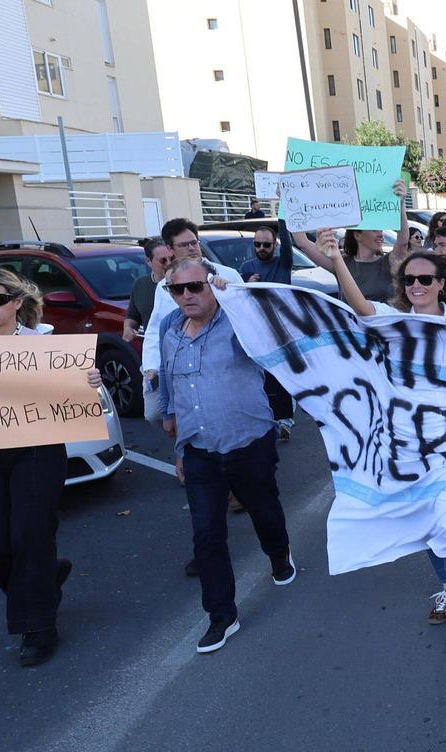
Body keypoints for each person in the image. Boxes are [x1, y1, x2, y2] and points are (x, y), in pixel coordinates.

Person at [315, 230, 446, 637]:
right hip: (407, 443)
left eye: (426, 279)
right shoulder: (392, 322)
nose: (417, 286)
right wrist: (337, 259)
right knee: (425, 522)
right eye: (409, 280)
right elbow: (357, 304)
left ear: (442, 283)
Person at [156, 257, 296, 653]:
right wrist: (171, 421)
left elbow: (276, 329)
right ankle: (222, 615)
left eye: (195, 287)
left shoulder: (238, 322)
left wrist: (239, 298)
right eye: (177, 290)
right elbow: (169, 380)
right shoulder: (171, 329)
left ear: (210, 286)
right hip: (199, 450)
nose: (187, 296)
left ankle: (279, 554)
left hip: (249, 443)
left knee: (266, 513)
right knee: (206, 535)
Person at [0, 268, 102, 666]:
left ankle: (38, 626)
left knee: (30, 532)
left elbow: (71, 392)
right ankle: (46, 577)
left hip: (37, 449)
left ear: (16, 303)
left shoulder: (42, 344)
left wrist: (88, 380)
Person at [141, 218, 244, 429]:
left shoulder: (227, 275)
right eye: (184, 244)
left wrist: (230, 294)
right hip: (181, 366)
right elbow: (155, 329)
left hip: (223, 365)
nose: (192, 248)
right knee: (157, 413)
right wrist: (151, 367)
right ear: (170, 249)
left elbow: (248, 318)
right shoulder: (165, 286)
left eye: (194, 242)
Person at [294, 180, 411, 303]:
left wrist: (401, 204)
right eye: (375, 230)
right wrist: (289, 201)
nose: (380, 234)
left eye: (381, 230)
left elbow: (402, 243)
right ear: (357, 235)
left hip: (384, 322)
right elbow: (303, 243)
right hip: (350, 322)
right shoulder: (341, 263)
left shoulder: (388, 262)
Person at [238, 223, 298, 441]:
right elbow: (238, 297)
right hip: (257, 329)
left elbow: (288, 242)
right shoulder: (246, 268)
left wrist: (283, 212)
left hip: (283, 328)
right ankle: (268, 417)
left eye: (266, 244)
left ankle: (285, 421)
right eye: (257, 244)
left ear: (275, 245)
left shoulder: (283, 264)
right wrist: (247, 283)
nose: (261, 248)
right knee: (263, 375)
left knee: (283, 374)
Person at [123, 238, 172, 344]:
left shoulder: (183, 284)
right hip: (153, 347)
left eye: (172, 258)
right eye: (163, 260)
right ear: (149, 261)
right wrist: (128, 328)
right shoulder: (140, 285)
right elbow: (133, 316)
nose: (169, 263)